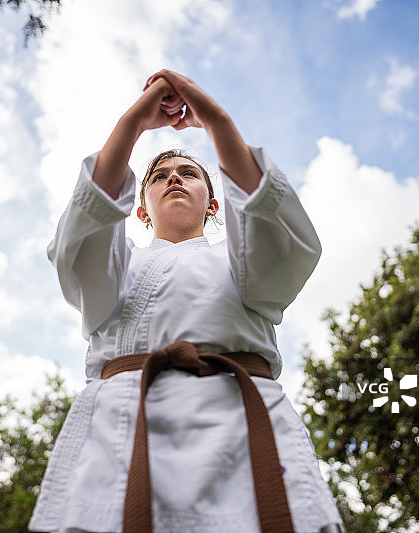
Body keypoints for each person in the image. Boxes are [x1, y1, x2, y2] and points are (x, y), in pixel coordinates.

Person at [29, 70, 344, 533]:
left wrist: (215, 120)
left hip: (240, 424)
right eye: (159, 177)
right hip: (123, 427)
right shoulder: (122, 263)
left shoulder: (241, 261)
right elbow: (87, 224)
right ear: (140, 209)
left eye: (189, 173)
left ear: (215, 204)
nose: (174, 179)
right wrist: (135, 122)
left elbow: (271, 221)